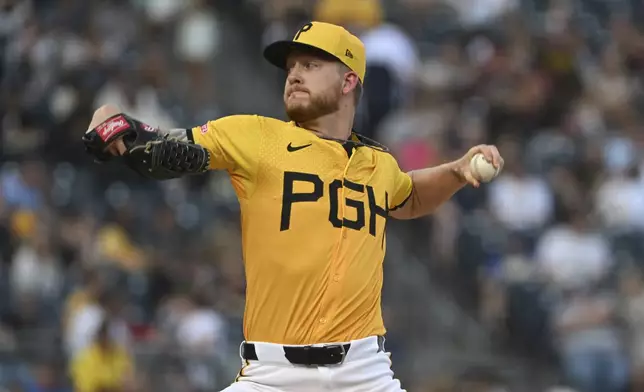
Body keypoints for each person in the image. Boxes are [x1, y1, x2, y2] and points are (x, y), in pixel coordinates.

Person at [82, 21, 503, 392]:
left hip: (364, 372)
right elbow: (158, 152)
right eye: (292, 67)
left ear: (348, 81)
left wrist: (456, 171)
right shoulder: (255, 137)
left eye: (311, 65)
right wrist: (112, 118)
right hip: (272, 375)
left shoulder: (378, 165)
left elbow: (407, 196)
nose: (294, 75)